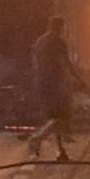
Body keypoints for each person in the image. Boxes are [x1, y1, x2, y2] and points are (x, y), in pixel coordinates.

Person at [26, 16, 83, 161]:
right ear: (60, 28)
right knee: (61, 117)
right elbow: (65, 62)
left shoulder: (40, 41)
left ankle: (60, 151)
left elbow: (35, 62)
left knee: (52, 116)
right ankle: (37, 138)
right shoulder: (58, 42)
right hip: (55, 83)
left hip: (40, 81)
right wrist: (79, 79)